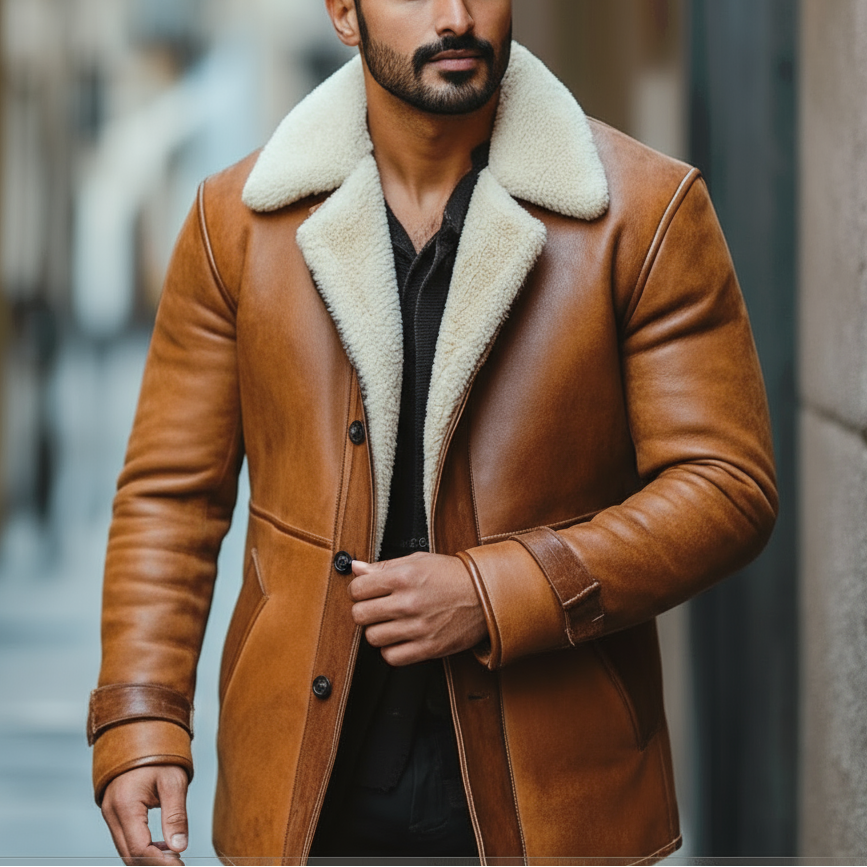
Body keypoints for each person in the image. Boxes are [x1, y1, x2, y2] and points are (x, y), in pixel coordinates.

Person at [88, 0, 778, 863]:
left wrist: (497, 592)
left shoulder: (645, 211)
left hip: (556, 800)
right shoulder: (236, 222)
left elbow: (727, 486)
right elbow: (170, 496)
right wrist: (143, 714)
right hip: (304, 794)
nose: (456, 16)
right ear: (344, 13)